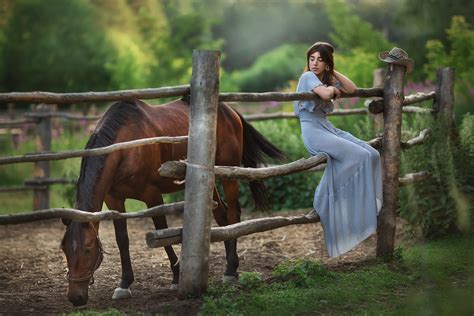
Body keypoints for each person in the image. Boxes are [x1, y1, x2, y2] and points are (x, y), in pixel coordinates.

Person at [295, 42, 383, 257]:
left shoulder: (324, 77)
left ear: (327, 63)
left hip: (326, 127)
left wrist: (332, 74)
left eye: (320, 60)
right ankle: (324, 198)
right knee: (361, 155)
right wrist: (334, 89)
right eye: (312, 58)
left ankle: (356, 204)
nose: (314, 63)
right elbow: (326, 95)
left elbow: (351, 89)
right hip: (313, 131)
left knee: (373, 154)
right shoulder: (307, 77)